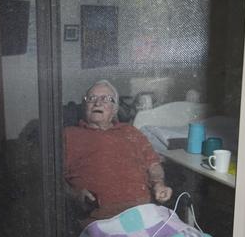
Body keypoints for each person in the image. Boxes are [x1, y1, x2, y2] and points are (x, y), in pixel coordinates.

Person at [64, 80, 172, 226]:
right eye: (92, 98)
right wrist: (75, 195)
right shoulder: (69, 136)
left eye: (106, 99)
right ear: (85, 106)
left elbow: (153, 164)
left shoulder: (130, 132)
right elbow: (53, 179)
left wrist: (159, 184)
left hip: (145, 214)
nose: (97, 103)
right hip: (101, 222)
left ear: (114, 109)